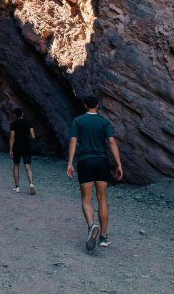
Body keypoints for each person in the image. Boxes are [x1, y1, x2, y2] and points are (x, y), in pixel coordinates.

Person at [66, 96, 124, 252]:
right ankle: (104, 237)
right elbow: (112, 142)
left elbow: (73, 141)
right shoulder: (105, 122)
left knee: (86, 198)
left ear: (85, 105)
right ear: (98, 106)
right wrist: (118, 164)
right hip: (101, 162)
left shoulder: (78, 121)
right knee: (102, 198)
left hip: (85, 161)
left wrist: (70, 163)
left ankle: (92, 225)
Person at [9, 108, 36, 194]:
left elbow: (12, 138)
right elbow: (33, 136)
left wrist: (10, 149)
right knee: (28, 167)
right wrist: (27, 137)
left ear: (15, 115)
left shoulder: (14, 124)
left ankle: (17, 187)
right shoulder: (28, 123)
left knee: (16, 166)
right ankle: (31, 184)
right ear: (22, 114)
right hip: (26, 147)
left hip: (17, 147)